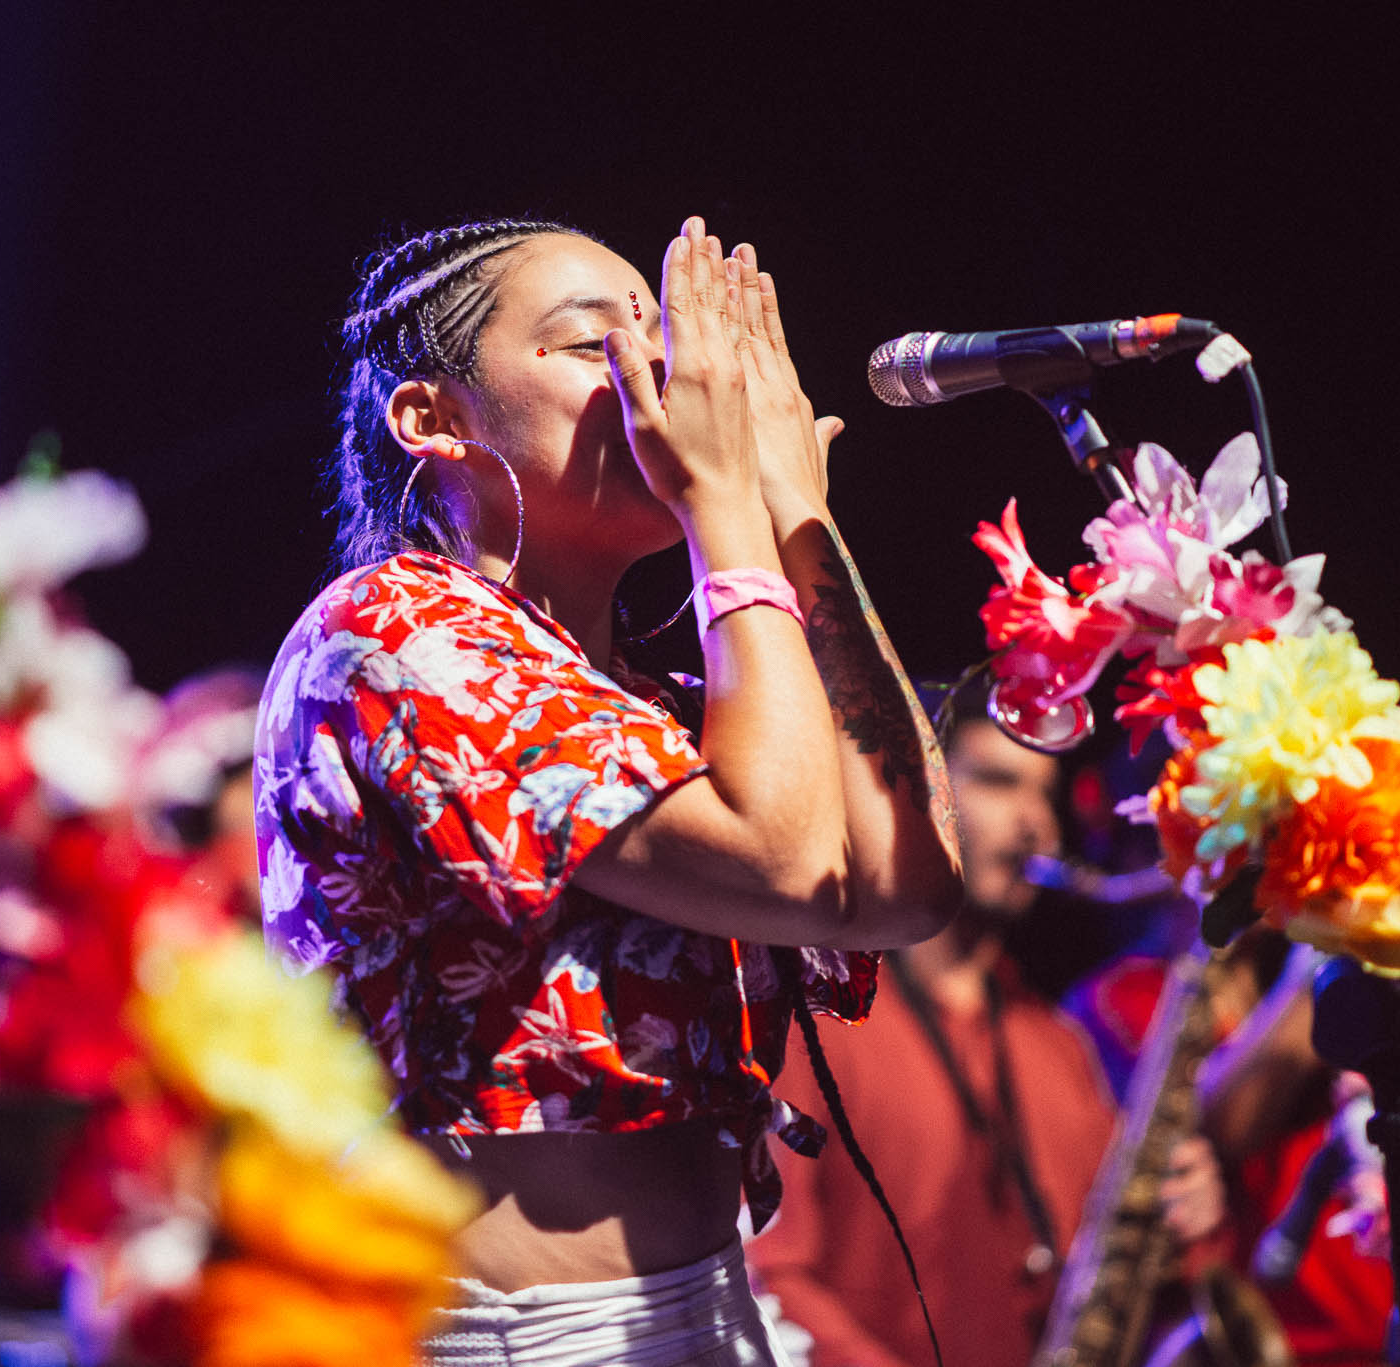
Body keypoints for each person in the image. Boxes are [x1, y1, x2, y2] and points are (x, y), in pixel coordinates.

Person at [252, 216, 964, 1365]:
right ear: (433, 419)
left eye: (664, 339)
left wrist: (796, 514)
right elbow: (782, 859)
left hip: (711, 1308)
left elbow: (899, 885)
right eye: (595, 346)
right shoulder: (393, 632)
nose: (664, 379)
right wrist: (727, 512)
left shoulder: (653, 695)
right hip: (513, 1338)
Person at [747, 713, 1225, 1367]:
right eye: (1000, 783)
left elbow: (1113, 1271)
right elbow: (768, 1280)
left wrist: (1182, 1220)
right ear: (908, 799)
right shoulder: (811, 1026)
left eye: (1045, 794)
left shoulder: (1058, 1046)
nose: (1036, 822)